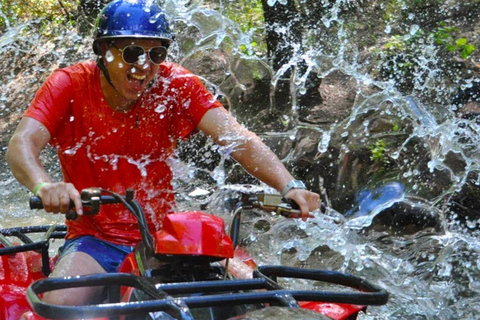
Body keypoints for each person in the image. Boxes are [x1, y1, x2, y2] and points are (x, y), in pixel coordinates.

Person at [6, 0, 321, 307]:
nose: (144, 66)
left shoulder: (176, 84)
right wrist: (44, 186)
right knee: (59, 305)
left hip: (165, 239)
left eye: (155, 53)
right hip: (96, 239)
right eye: (132, 53)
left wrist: (289, 185)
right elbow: (21, 146)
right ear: (104, 50)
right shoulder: (68, 84)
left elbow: (237, 138)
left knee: (261, 298)